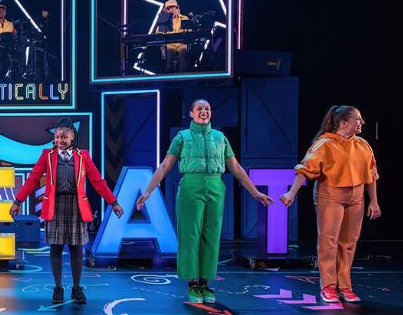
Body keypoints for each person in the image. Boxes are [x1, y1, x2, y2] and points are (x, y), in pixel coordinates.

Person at [136, 99, 273, 304]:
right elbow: (165, 166)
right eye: (199, 109)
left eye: (207, 109)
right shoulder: (182, 137)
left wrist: (254, 192)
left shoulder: (220, 137)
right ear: (191, 114)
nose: (204, 112)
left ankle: (205, 284)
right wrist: (148, 191)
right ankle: (192, 283)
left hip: (216, 186)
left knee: (212, 235)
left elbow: (235, 167)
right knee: (190, 235)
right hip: (191, 185)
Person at [9, 118, 124, 304]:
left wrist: (113, 202)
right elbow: (32, 179)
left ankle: (77, 288)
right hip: (55, 205)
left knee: (76, 249)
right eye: (57, 137)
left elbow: (97, 181)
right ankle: (58, 288)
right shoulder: (47, 155)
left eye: (64, 136)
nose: (60, 140)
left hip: (76, 206)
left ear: (72, 136)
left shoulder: (83, 156)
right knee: (55, 248)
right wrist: (18, 200)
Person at [280, 105, 380, 303]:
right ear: (343, 123)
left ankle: (345, 286)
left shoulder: (362, 144)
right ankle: (328, 286)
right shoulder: (324, 144)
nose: (362, 123)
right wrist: (292, 192)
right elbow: (304, 169)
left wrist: (374, 202)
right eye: (358, 119)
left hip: (356, 197)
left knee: (349, 243)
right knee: (329, 241)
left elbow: (371, 174)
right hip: (331, 196)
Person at [155, 0, 189, 73]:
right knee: (169, 54)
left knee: (183, 51)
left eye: (173, 7)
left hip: (181, 43)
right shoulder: (164, 20)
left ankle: (183, 76)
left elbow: (190, 31)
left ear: (177, 8)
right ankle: (169, 76)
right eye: (169, 8)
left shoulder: (184, 18)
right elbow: (157, 33)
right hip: (170, 43)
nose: (171, 10)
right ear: (166, 11)